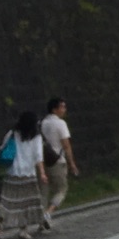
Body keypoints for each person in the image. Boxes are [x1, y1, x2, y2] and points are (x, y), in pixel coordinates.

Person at [0, 112, 48, 239]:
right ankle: (23, 230)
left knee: (7, 202)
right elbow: (38, 157)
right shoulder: (36, 137)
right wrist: (42, 173)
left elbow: (3, 147)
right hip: (28, 174)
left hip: (12, 173)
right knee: (26, 204)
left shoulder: (12, 133)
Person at [40, 97, 79, 226]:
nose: (64, 109)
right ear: (54, 109)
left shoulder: (42, 123)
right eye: (62, 107)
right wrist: (72, 163)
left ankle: (41, 220)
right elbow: (66, 145)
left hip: (41, 161)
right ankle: (48, 212)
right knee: (62, 189)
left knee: (43, 192)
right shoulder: (60, 123)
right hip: (57, 161)